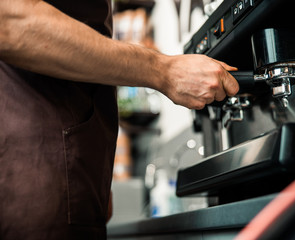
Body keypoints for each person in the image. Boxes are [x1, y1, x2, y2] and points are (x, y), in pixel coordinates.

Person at [0, 0, 239, 239]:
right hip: (31, 180)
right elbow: (10, 21)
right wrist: (163, 70)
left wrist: (96, 174)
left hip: (68, 178)